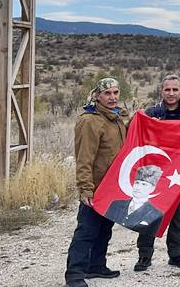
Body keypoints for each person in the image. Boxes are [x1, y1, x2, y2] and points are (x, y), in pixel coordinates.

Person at [64, 77, 128, 287]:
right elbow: (84, 158)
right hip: (96, 187)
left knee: (104, 229)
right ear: (97, 96)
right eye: (107, 93)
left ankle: (96, 266)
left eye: (115, 93)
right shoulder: (90, 121)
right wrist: (86, 189)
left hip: (112, 187)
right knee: (86, 231)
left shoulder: (116, 118)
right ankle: (74, 275)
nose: (112, 97)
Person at [133, 74, 180, 271]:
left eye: (175, 89)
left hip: (179, 174)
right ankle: (144, 255)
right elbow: (135, 136)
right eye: (167, 89)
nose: (171, 93)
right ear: (161, 91)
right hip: (153, 172)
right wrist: (148, 124)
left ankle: (176, 254)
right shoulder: (151, 112)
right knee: (148, 212)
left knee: (179, 214)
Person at [106, 165, 164, 233]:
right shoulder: (116, 204)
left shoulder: (155, 214)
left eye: (144, 184)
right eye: (137, 183)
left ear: (152, 188)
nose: (138, 187)